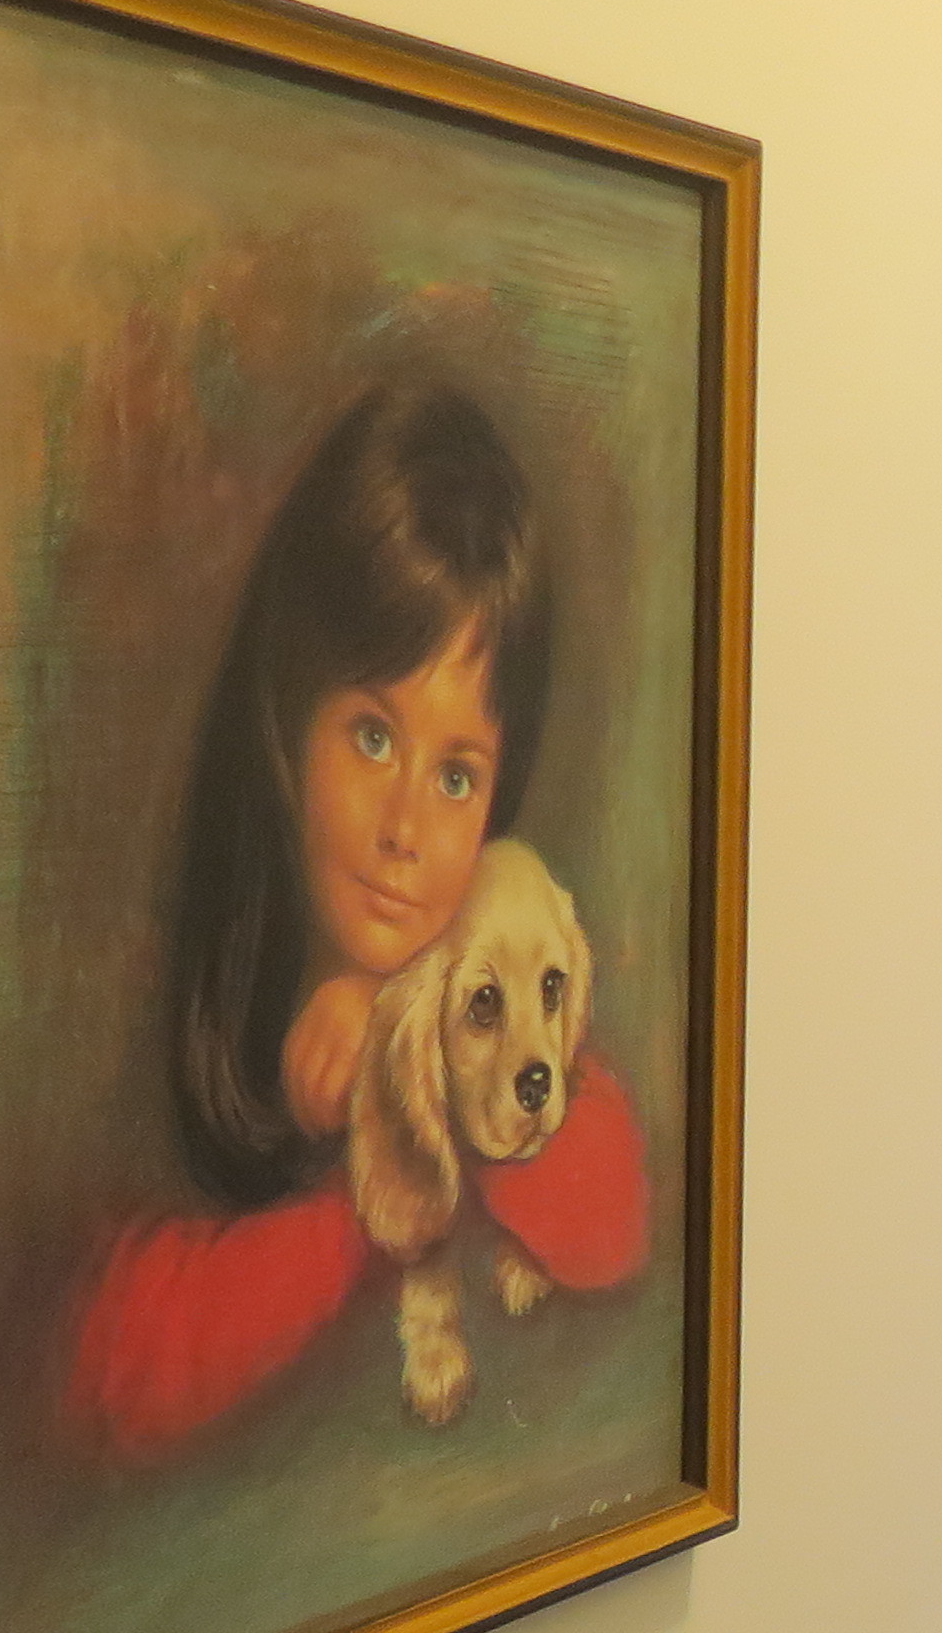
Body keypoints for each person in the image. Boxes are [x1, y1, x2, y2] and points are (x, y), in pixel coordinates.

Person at [65, 377, 648, 1455]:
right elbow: (110, 1367)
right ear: (288, 726)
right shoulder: (181, 987)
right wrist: (379, 1183)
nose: (406, 829)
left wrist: (396, 1051)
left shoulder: (482, 963)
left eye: (457, 775)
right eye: (374, 738)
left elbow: (614, 1223)